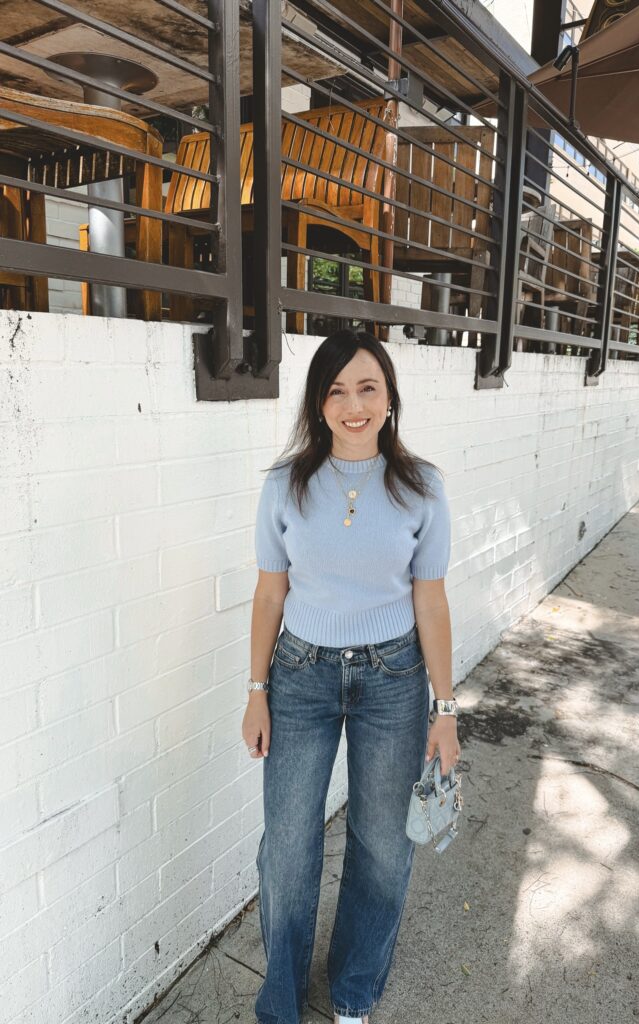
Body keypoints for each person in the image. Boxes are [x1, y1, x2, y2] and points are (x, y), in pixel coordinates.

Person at [242, 329, 461, 1024]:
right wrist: (255, 693)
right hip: (300, 676)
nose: (352, 403)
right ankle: (279, 1000)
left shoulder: (422, 486)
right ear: (318, 404)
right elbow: (269, 593)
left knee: (381, 844)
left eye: (367, 387)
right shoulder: (285, 484)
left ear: (390, 397)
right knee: (287, 843)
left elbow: (430, 598)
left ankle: (353, 993)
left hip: (393, 679)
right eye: (335, 390)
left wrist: (445, 708)